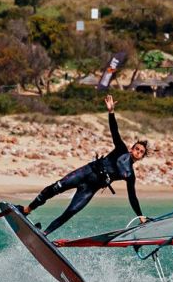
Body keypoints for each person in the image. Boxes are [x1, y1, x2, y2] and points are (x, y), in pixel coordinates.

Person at [20, 94, 148, 236]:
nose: (138, 152)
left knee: (71, 211)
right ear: (131, 149)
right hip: (86, 172)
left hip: (91, 188)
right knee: (56, 187)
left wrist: (140, 215)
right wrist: (111, 112)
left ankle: (44, 234)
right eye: (137, 149)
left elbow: (132, 197)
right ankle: (27, 210)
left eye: (141, 152)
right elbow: (114, 131)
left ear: (142, 157)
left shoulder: (130, 175)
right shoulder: (121, 150)